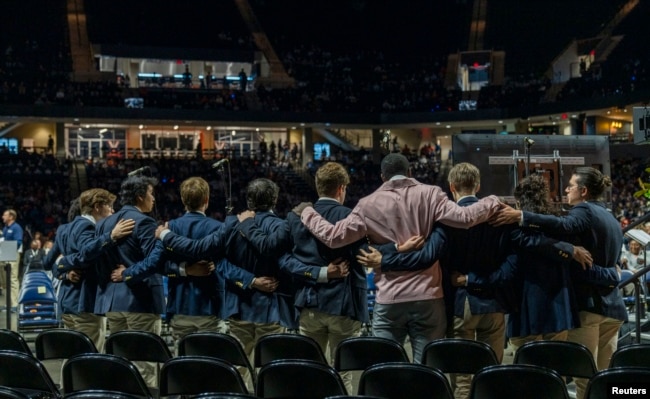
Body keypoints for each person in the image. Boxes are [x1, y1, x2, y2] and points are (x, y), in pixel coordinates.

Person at [299, 154, 501, 362]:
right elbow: (465, 218)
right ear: (410, 173)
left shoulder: (367, 204)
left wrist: (307, 213)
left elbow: (334, 237)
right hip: (428, 297)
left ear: (382, 177)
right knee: (427, 369)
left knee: (387, 369)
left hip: (389, 299)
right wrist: (494, 200)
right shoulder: (431, 194)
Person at [492, 167, 626, 399]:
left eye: (570, 186)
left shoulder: (583, 211)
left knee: (585, 379)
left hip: (590, 309)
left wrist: (522, 216)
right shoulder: (611, 218)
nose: (565, 190)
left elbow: (578, 263)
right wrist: (614, 275)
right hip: (613, 308)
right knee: (604, 378)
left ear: (583, 191)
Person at [157, 178, 294, 384]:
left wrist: (250, 281)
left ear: (248, 200)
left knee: (240, 371)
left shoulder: (231, 225)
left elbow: (214, 260)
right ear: (275, 200)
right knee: (272, 371)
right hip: (272, 309)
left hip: (239, 308)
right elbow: (290, 267)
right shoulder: (283, 227)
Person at [279, 162, 367, 393]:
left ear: (319, 187)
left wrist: (316, 273)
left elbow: (285, 262)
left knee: (312, 372)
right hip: (344, 305)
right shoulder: (351, 217)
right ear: (341, 189)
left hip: (309, 304)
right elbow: (365, 257)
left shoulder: (295, 217)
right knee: (344, 374)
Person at [45, 189, 135, 352]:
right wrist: (111, 236)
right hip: (84, 302)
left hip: (67, 302)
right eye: (110, 206)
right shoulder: (87, 226)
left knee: (72, 356)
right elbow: (86, 253)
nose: (113, 211)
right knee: (90, 357)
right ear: (97, 206)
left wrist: (64, 272)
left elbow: (48, 264)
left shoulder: (65, 228)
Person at [94, 175, 162, 387]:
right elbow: (154, 262)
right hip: (139, 300)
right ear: (140, 197)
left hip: (113, 301)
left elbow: (97, 260)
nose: (154, 199)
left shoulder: (104, 224)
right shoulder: (144, 221)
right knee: (144, 366)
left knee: (121, 363)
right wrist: (129, 272)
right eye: (151, 194)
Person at [2, 209, 23, 312]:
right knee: (5, 280)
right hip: (5, 254)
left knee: (13, 279)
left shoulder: (16, 227)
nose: (2, 217)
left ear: (11, 217)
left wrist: (8, 249)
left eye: (4, 215)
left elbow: (18, 242)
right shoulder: (5, 228)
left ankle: (14, 305)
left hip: (13, 254)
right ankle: (8, 303)